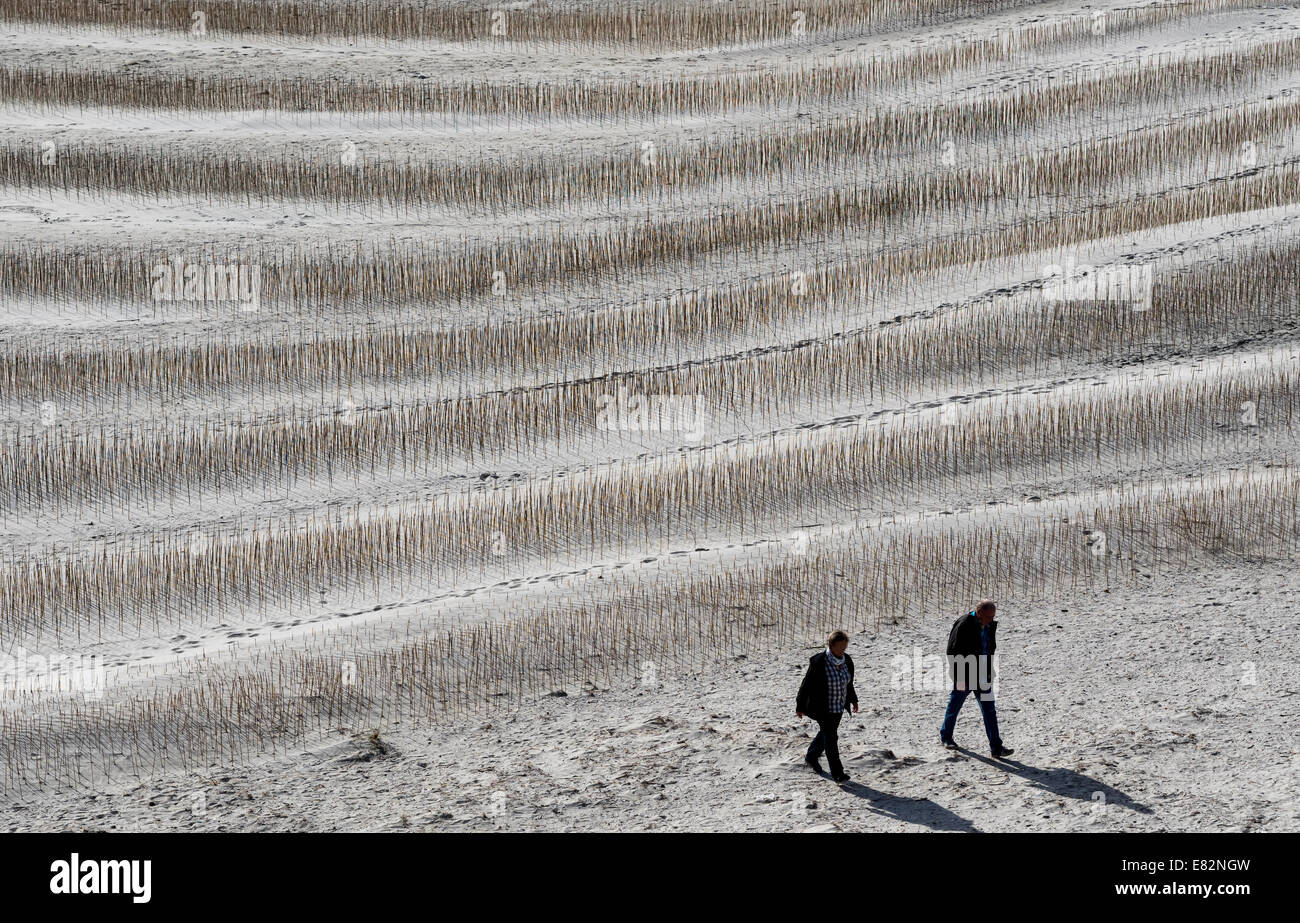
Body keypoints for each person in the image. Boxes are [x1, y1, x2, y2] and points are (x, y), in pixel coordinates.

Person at [940, 599, 1014, 759]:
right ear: (979, 612)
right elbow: (952, 651)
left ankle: (996, 747)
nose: (991, 620)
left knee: (989, 710)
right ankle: (946, 737)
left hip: (982, 674)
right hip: (964, 675)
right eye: (989, 616)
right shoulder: (964, 624)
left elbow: (989, 648)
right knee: (955, 705)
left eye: (993, 617)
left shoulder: (988, 625)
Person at [796, 630, 859, 782]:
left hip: (838, 706)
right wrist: (800, 705)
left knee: (826, 733)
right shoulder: (819, 662)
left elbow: (848, 684)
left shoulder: (847, 660)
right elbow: (806, 685)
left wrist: (853, 700)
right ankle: (838, 773)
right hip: (822, 707)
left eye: (845, 646)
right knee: (831, 738)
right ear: (831, 645)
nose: (842, 650)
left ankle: (811, 756)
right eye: (839, 646)